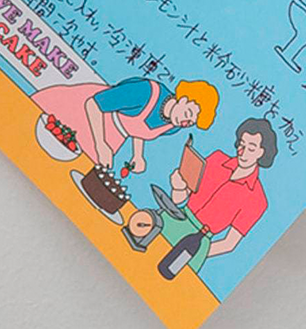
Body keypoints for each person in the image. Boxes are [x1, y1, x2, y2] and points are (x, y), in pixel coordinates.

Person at [156, 117, 276, 277]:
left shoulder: (258, 200)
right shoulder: (217, 159)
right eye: (241, 144)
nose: (242, 152)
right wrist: (178, 187)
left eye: (251, 148)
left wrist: (199, 254)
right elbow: (179, 199)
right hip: (175, 219)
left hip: (197, 244)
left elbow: (229, 243)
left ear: (262, 152)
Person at [32, 75, 218, 174]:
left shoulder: (174, 125)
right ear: (183, 98)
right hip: (87, 116)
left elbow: (140, 130)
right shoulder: (145, 91)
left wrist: (138, 155)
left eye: (190, 123)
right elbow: (94, 104)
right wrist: (100, 144)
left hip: (114, 137)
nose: (185, 123)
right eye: (188, 114)